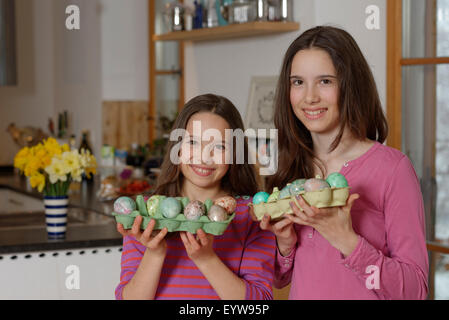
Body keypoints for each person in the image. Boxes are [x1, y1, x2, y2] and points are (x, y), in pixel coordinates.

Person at [252, 26, 429, 299]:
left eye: (325, 81)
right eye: (298, 82)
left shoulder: (393, 170)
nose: (309, 97)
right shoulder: (289, 166)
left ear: (350, 85)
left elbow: (414, 291)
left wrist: (347, 240)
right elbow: (279, 278)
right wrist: (285, 243)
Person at [115, 94, 276, 300]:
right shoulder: (147, 214)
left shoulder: (252, 215)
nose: (203, 157)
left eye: (219, 146)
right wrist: (154, 253)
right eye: (193, 142)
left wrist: (207, 259)